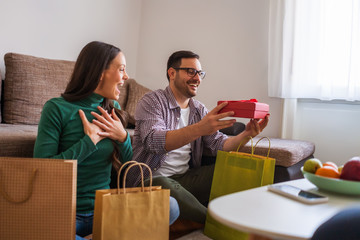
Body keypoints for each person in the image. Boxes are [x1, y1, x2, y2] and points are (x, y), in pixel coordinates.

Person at [33, 41, 179, 239]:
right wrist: (88, 142)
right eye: (121, 69)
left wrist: (123, 137)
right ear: (100, 72)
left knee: (170, 207)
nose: (126, 77)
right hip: (63, 214)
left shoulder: (113, 108)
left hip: (105, 210)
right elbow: (43, 169)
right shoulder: (57, 108)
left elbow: (129, 168)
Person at [128, 50, 269, 224]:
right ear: (172, 73)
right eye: (191, 72)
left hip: (185, 179)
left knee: (235, 169)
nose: (197, 78)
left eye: (200, 73)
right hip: (149, 181)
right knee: (164, 184)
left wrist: (247, 134)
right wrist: (200, 128)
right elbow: (153, 142)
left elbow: (220, 144)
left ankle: (244, 218)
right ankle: (216, 222)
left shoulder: (198, 109)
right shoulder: (152, 101)